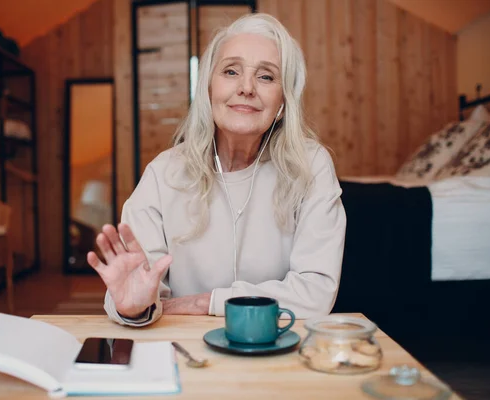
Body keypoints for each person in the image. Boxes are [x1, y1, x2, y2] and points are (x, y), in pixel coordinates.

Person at [87, 13, 346, 326]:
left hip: (276, 350)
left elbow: (316, 291)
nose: (246, 87)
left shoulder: (311, 165)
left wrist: (204, 302)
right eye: (231, 71)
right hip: (184, 353)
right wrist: (133, 306)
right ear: (208, 89)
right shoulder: (163, 173)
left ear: (282, 104)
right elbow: (135, 290)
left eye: (266, 76)